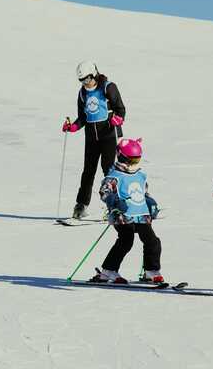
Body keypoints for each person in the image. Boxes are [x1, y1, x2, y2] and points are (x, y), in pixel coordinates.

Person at [90, 138, 163, 284]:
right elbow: (104, 192)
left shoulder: (140, 175)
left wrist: (150, 202)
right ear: (122, 157)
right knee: (126, 241)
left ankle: (151, 271)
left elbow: (144, 192)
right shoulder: (115, 176)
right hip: (122, 215)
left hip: (141, 214)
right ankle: (108, 271)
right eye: (132, 160)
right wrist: (115, 202)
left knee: (153, 241)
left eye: (137, 160)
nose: (134, 164)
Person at [62, 61, 126, 219]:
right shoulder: (82, 93)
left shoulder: (108, 87)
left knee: (109, 170)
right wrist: (73, 127)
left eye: (87, 79)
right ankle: (81, 205)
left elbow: (120, 108)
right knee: (88, 171)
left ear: (94, 74)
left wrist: (119, 119)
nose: (85, 83)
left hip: (109, 134)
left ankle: (114, 205)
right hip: (91, 137)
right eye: (81, 80)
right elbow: (83, 117)